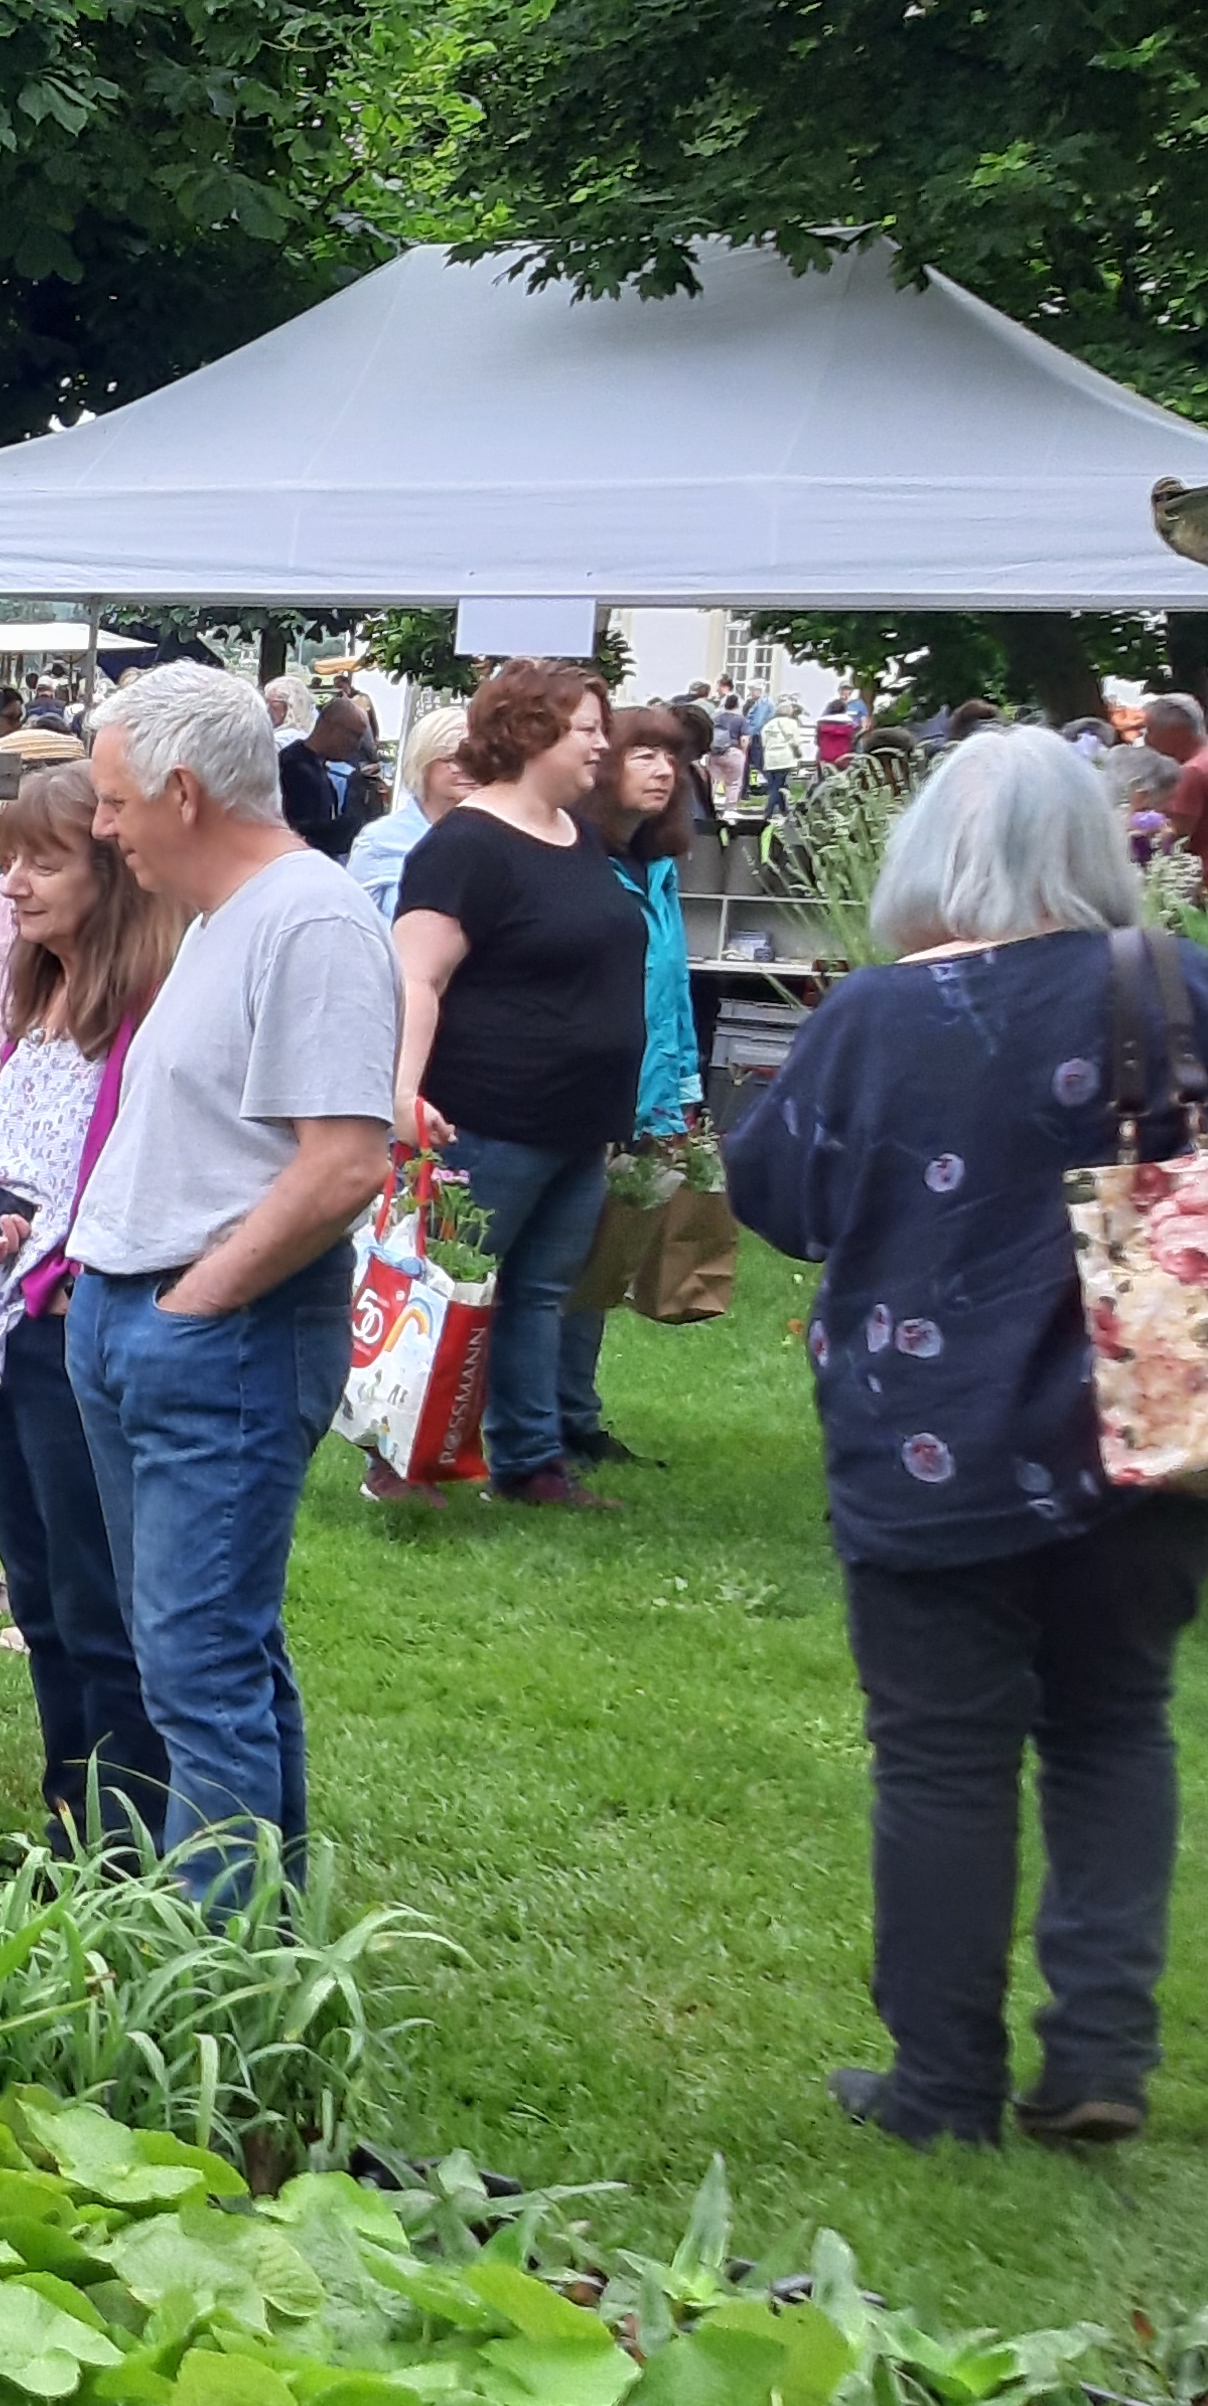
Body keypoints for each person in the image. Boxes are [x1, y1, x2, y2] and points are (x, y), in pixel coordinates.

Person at [726, 731, 1208, 2146]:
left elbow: (781, 1199)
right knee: (1115, 1724)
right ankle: (1101, 2052)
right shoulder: (1169, 982)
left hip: (927, 1440)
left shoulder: (874, 1017)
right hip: (1148, 1426)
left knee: (942, 1756)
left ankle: (942, 2085)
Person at [63, 663, 402, 1910]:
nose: (105, 828)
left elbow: (345, 1164)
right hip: (151, 1318)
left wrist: (193, 1307)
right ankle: (263, 1953)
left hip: (223, 1333)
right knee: (208, 1658)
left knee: (199, 1673)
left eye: (113, 801)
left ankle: (205, 1971)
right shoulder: (230, 916)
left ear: (184, 792)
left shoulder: (311, 920)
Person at [0, 762, 182, 1851]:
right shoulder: (38, 1000)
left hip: (71, 1331)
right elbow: (7, 1154)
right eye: (8, 862)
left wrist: (53, 1256)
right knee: (40, 1598)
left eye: (41, 864)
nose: (13, 885)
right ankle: (70, 1824)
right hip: (0, 1329)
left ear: (111, 875)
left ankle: (127, 1840)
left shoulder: (147, 1012)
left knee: (98, 1607)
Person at [387, 660, 645, 1513]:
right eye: (587, 730)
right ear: (532, 733)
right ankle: (401, 1456)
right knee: (447, 1289)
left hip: (576, 1121)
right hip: (488, 1118)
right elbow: (416, 978)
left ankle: (529, 1461)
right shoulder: (465, 846)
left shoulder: (579, 836)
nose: (603, 746)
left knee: (537, 1294)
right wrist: (403, 1094)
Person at [552, 711, 711, 1475]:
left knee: (602, 1259)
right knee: (551, 1264)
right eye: (643, 752)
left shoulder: (660, 868)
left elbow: (670, 990)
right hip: (575, 1092)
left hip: (646, 1096)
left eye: (672, 757)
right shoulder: (567, 857)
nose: (662, 770)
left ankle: (572, 1416)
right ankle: (519, 1422)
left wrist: (681, 1093)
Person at [346, 702, 467, 920]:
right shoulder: (380, 840)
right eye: (450, 758)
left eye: (478, 758)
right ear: (423, 762)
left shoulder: (503, 836)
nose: (466, 768)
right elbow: (355, 925)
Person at [276, 687, 379, 857]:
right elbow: (321, 838)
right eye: (355, 735)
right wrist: (357, 796)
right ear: (332, 727)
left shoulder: (310, 764)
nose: (358, 745)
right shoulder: (297, 770)